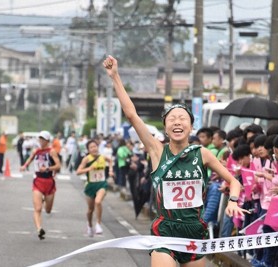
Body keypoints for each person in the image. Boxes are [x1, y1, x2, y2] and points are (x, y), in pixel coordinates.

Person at [103, 55, 247, 267]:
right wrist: (115, 76)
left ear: (191, 126)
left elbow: (234, 182)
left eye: (182, 119)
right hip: (165, 230)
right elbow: (131, 115)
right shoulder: (156, 150)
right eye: (172, 119)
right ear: (165, 127)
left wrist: (233, 201)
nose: (177, 122)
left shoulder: (203, 153)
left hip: (194, 231)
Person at [20, 131, 61, 240]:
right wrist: (24, 166)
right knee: (37, 208)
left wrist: (48, 169)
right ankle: (39, 229)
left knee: (47, 210)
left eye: (43, 139)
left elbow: (58, 165)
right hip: (38, 181)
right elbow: (30, 158)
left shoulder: (51, 151)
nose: (41, 141)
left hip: (49, 182)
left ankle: (44, 201)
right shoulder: (36, 151)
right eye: (40, 139)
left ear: (47, 141)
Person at [76, 139, 114, 237]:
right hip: (90, 186)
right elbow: (78, 171)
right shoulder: (86, 159)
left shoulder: (102, 157)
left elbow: (110, 161)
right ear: (88, 149)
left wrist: (110, 170)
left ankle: (98, 224)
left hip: (101, 184)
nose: (94, 148)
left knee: (98, 201)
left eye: (95, 146)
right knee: (90, 210)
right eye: (91, 147)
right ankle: (89, 225)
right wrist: (88, 169)